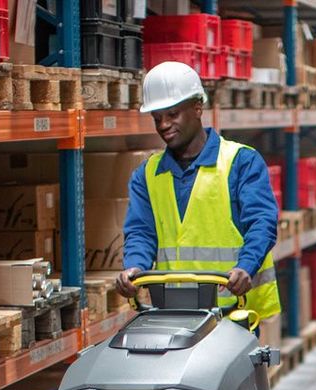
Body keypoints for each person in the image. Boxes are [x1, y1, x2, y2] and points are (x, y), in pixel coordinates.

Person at [116, 61, 281, 320]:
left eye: (172, 114)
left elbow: (262, 222)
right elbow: (141, 232)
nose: (163, 125)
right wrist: (134, 267)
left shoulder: (241, 162)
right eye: (157, 118)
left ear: (197, 107)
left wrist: (245, 266)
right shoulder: (147, 175)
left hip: (234, 311)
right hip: (174, 311)